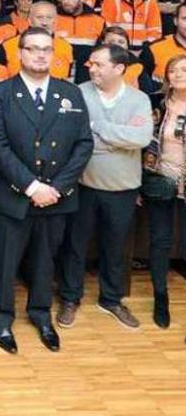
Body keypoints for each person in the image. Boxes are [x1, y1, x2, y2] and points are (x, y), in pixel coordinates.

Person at [0, 27, 94, 354]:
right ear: (19, 53)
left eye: (46, 49)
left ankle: (40, 313)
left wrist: (57, 188)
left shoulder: (70, 93)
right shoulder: (0, 94)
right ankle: (2, 316)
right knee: (5, 261)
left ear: (54, 53)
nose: (40, 55)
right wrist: (32, 186)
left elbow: (83, 144)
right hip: (14, 194)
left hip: (56, 198)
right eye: (32, 49)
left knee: (46, 260)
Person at [57, 44, 152, 330]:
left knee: (116, 246)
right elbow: (74, 136)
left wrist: (99, 128)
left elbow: (142, 137)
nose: (91, 67)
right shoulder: (78, 93)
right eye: (91, 64)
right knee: (75, 245)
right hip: (83, 184)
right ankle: (70, 297)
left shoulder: (138, 99)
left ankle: (111, 299)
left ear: (119, 68)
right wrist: (118, 136)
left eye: (98, 64)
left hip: (123, 188)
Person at [140, 54, 186, 329]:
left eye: (184, 69)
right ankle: (160, 296)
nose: (178, 74)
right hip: (161, 178)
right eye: (173, 70)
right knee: (160, 240)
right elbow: (144, 143)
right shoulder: (155, 102)